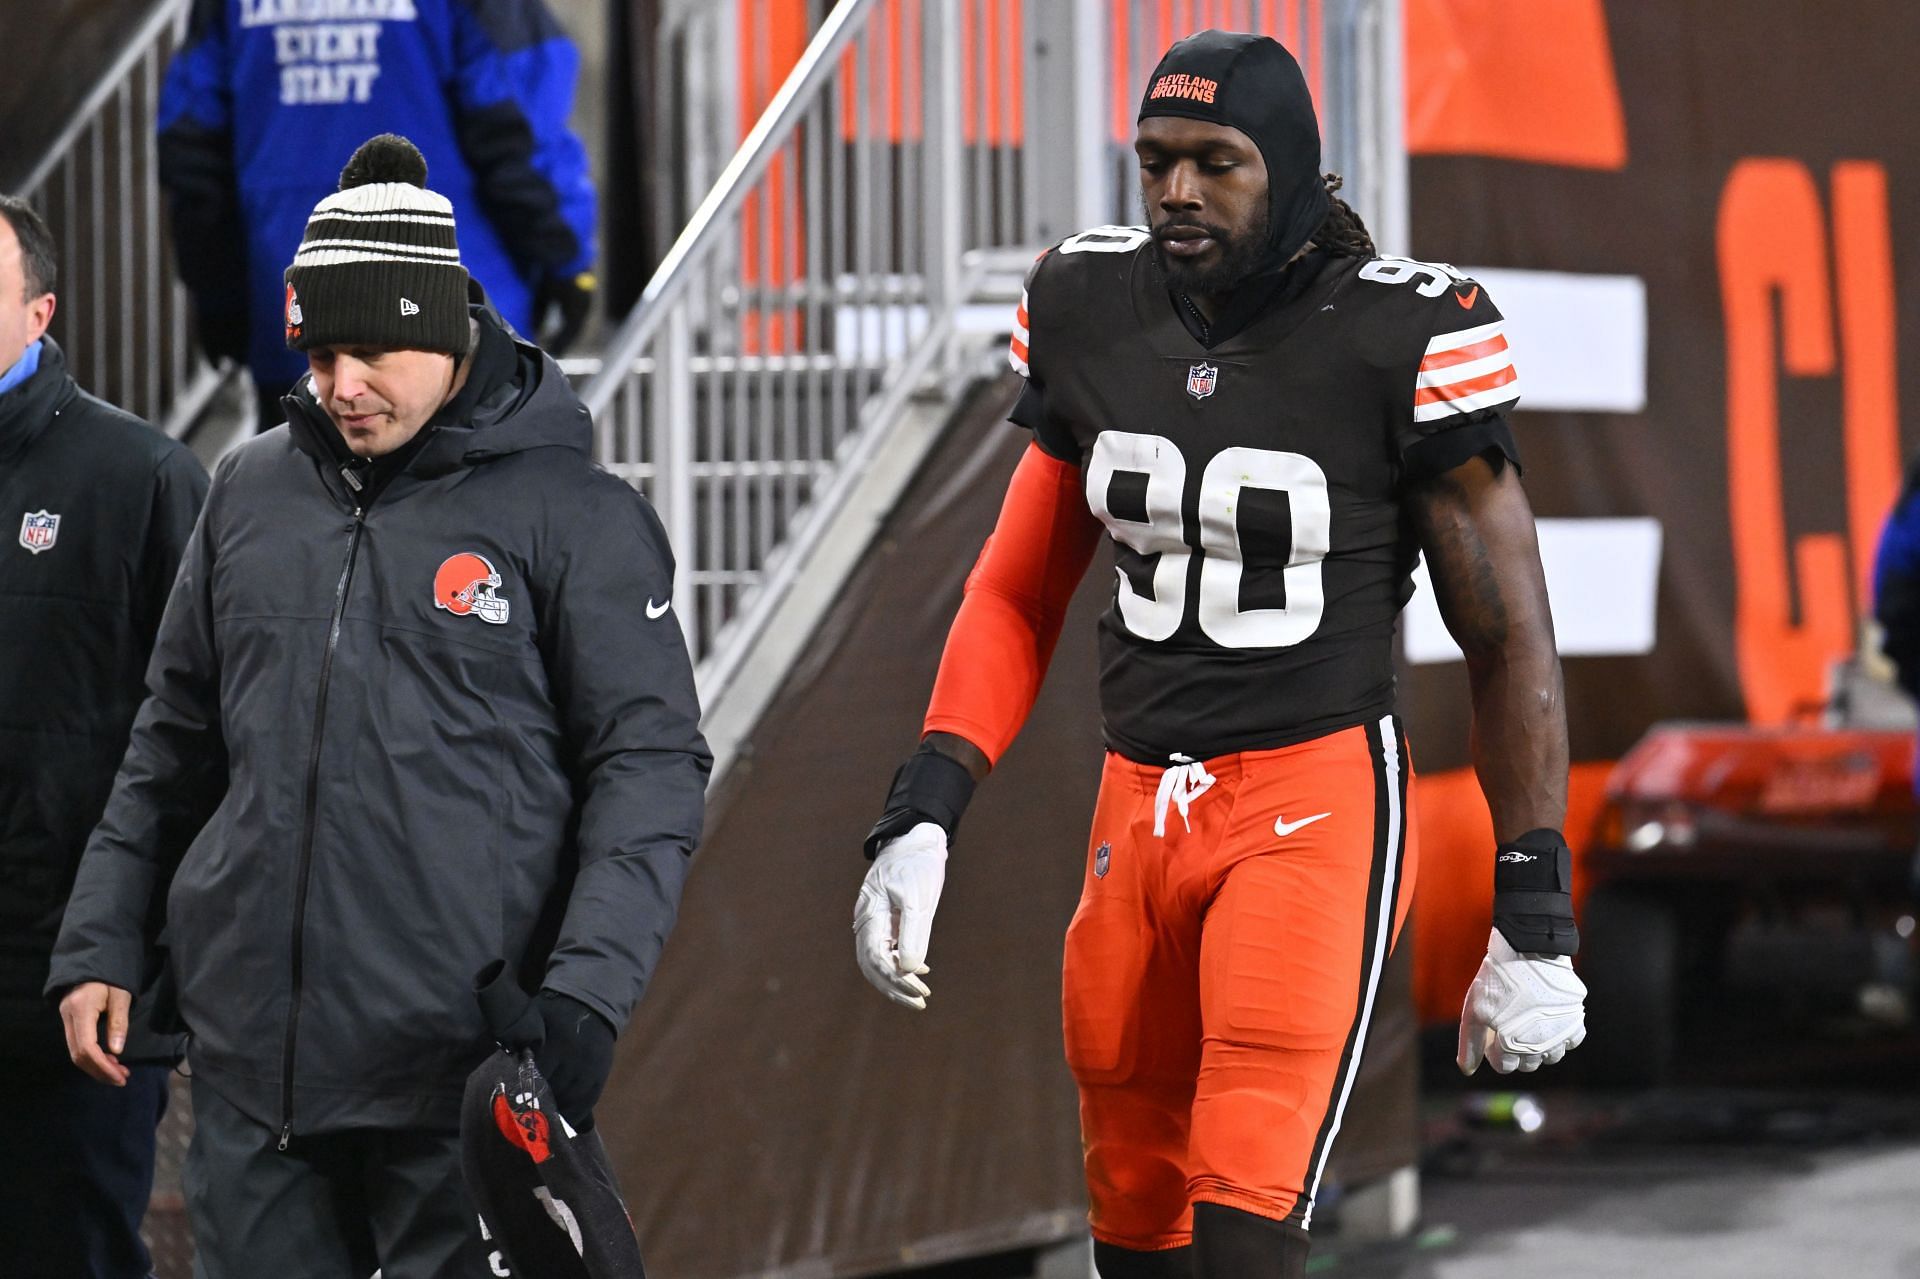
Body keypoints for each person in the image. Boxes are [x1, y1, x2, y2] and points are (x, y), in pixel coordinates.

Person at [850, 32, 1588, 1279]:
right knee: (1134, 1230)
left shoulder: (1396, 332)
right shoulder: (1090, 305)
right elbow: (1018, 589)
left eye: (1216, 162)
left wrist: (1535, 908)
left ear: (1288, 167)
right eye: (1154, 162)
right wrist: (924, 807)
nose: (1177, 190)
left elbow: (1507, 635)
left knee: (1245, 1227)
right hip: (1133, 803)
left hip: (1312, 799)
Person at [47, 134, 708, 1277]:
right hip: (255, 1075)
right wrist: (103, 929)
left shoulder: (573, 515)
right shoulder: (250, 490)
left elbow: (646, 771)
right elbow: (174, 738)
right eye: (319, 356)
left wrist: (588, 998)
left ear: (445, 328)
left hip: (454, 1083)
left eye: (371, 352)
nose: (341, 386)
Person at [0, 195, 207, 1278]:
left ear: (38, 314)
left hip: (71, 993)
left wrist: (130, 949)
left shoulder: (142, 481)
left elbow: (197, 741)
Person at [156, 0, 599, 427]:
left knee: (312, 494)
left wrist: (220, 297)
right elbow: (521, 127)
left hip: (302, 317)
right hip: (458, 322)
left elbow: (193, 150)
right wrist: (567, 262)